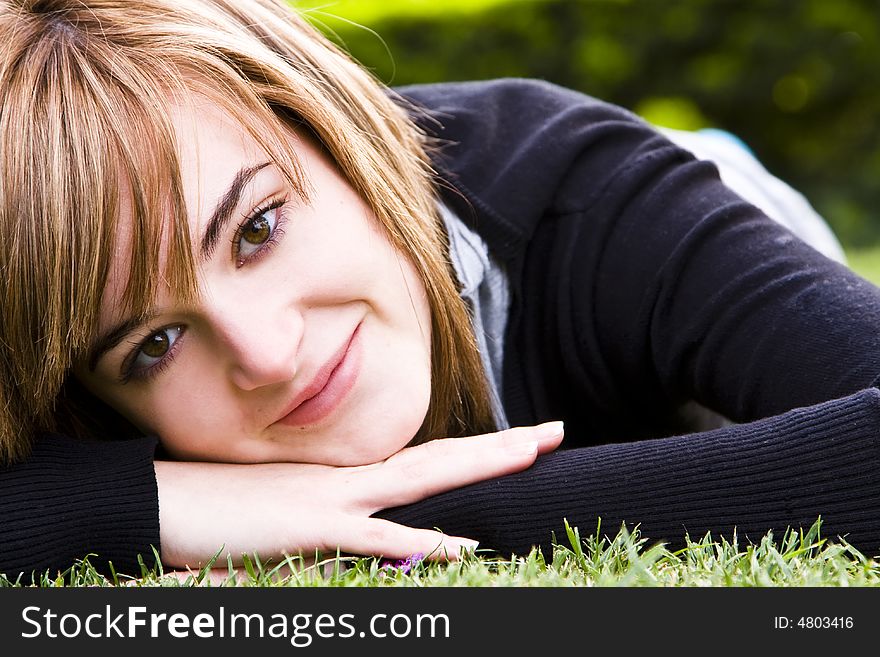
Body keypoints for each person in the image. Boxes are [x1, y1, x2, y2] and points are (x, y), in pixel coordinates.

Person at [2, 0, 879, 580]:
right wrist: (158, 504)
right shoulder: (64, 355)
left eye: (257, 229)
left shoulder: (589, 196)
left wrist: (356, 518)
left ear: (334, 128)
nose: (267, 353)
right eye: (152, 344)